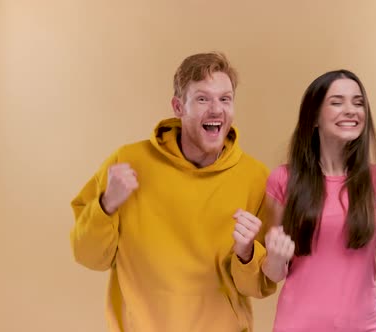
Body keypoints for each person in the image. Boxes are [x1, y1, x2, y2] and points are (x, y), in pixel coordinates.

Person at [69, 52, 276, 332]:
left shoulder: (256, 178)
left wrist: (247, 253)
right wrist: (106, 205)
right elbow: (88, 256)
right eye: (203, 99)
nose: (216, 109)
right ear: (178, 107)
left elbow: (259, 286)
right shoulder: (127, 163)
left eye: (225, 99)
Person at [259, 70, 376, 331]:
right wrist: (276, 257)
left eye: (358, 102)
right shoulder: (283, 180)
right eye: (337, 102)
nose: (351, 110)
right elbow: (274, 273)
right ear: (313, 117)